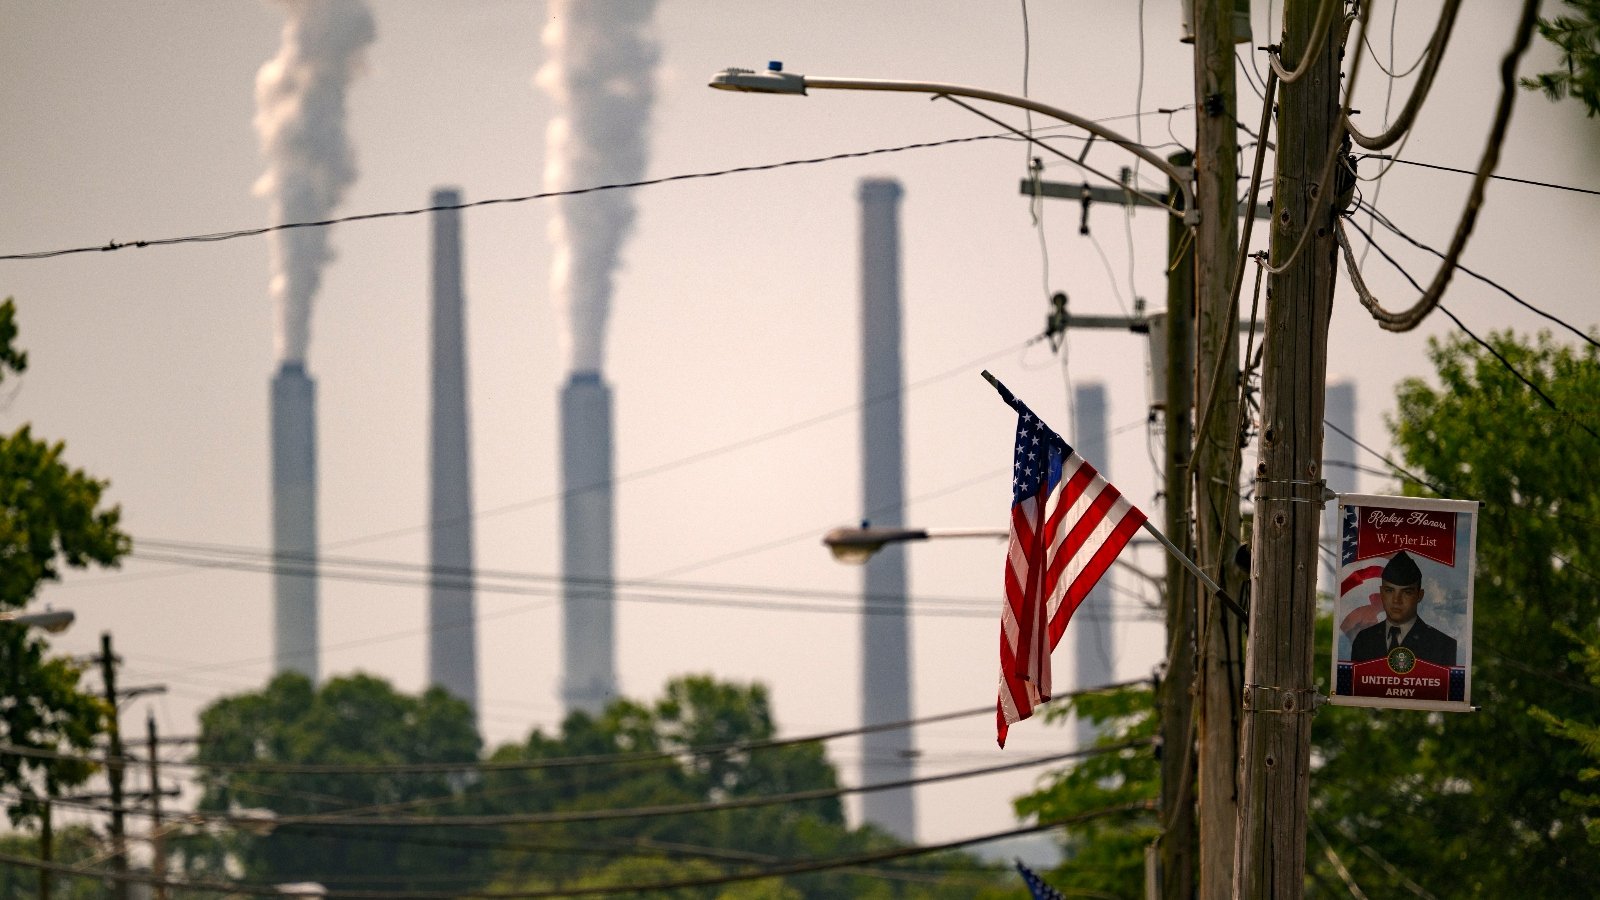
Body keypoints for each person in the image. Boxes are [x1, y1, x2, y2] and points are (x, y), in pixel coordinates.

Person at [1350, 550, 1457, 667]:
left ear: (1419, 595)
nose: (1396, 600)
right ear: (1381, 593)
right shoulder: (1364, 640)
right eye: (1389, 591)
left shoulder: (1443, 645)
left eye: (1406, 592)